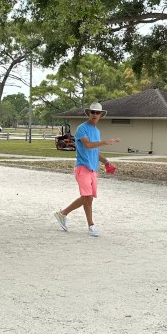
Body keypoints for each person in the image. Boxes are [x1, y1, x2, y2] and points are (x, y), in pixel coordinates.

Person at [54, 101, 119, 237]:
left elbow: (95, 151)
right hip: (82, 167)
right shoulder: (82, 128)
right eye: (92, 112)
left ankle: (63, 214)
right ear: (89, 114)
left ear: (101, 115)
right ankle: (91, 226)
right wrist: (105, 142)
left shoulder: (96, 131)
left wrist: (106, 162)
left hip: (93, 170)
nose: (94, 114)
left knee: (89, 199)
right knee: (86, 197)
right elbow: (88, 145)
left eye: (97, 113)